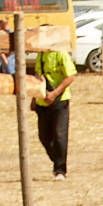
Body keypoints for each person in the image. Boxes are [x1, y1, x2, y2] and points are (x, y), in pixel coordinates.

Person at [32, 42, 71, 180]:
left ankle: (60, 170)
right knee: (44, 136)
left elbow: (70, 76)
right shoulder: (41, 54)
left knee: (59, 135)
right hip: (42, 101)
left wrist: (54, 94)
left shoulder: (61, 53)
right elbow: (37, 76)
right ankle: (57, 159)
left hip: (60, 100)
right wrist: (33, 99)